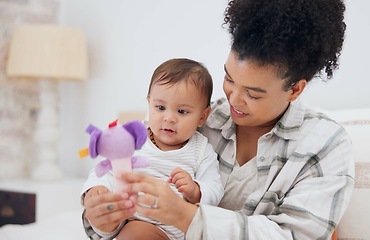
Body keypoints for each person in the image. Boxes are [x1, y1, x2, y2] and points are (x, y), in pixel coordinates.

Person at [82, 0, 355, 239]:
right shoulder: (193, 119)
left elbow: (292, 236)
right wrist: (101, 219)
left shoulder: (325, 145)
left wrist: (186, 216)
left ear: (295, 89)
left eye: (252, 93)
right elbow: (117, 203)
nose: (233, 100)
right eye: (229, 79)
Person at [81, 58, 224, 240]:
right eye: (160, 107)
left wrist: (196, 190)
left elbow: (215, 188)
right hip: (138, 222)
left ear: (203, 116)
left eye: (182, 111)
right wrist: (96, 189)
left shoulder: (201, 149)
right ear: (149, 103)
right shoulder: (132, 138)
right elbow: (106, 169)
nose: (169, 118)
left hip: (181, 229)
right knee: (132, 231)